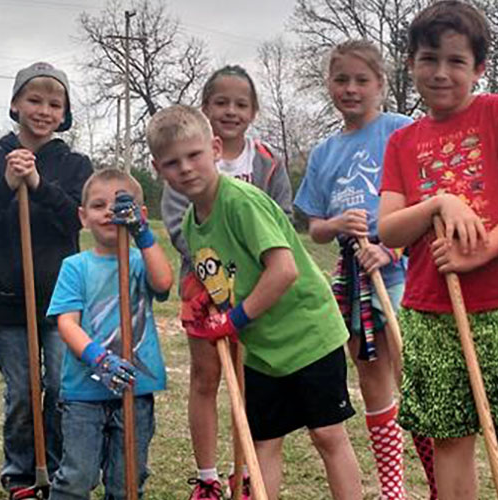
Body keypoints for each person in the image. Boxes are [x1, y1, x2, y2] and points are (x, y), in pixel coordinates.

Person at [376, 2, 498, 498]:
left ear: (479, 68)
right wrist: (440, 202)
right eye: (428, 59)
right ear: (410, 63)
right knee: (450, 441)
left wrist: (484, 250)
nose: (441, 72)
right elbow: (389, 229)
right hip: (430, 309)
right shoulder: (402, 143)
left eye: (456, 61)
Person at [150, 105, 363, 499]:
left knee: (327, 434)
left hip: (309, 334)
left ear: (215, 149)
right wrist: (209, 303)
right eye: (172, 162)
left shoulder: (241, 201)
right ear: (157, 169)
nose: (186, 168)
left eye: (194, 155)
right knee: (262, 442)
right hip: (263, 349)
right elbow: (220, 277)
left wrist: (234, 319)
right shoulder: (191, 224)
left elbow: (284, 270)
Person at [292, 39, 435, 500]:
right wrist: (337, 224)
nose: (350, 89)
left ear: (380, 84)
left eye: (361, 80)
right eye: (341, 80)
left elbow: (426, 200)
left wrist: (390, 249)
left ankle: (440, 484)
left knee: (416, 379)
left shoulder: (401, 130)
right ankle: (393, 488)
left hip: (404, 270)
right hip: (353, 274)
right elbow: (315, 227)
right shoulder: (324, 153)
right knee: (372, 377)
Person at [0, 61, 94, 499]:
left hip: (62, 300)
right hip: (5, 298)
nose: (44, 110)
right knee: (22, 392)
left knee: (60, 387)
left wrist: (36, 184)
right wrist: (5, 184)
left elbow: (76, 218)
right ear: (15, 104)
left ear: (64, 113)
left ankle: (55, 469)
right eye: (34, 100)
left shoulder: (74, 165)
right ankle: (20, 474)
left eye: (54, 104)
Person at [160, 64, 292, 500]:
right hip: (202, 285)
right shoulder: (185, 156)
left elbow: (282, 219)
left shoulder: (267, 161)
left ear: (253, 111)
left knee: (252, 377)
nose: (231, 111)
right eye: (221, 102)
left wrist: (249, 274)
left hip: (256, 289)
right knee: (206, 376)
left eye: (241, 103)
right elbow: (179, 227)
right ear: (205, 107)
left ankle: (249, 469)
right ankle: (208, 477)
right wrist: (214, 276)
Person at [46, 169, 174, 499]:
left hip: (136, 389)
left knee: (127, 479)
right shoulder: (75, 266)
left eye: (119, 204)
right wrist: (99, 359)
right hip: (83, 393)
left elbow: (163, 282)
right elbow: (67, 324)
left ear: (139, 213)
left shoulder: (141, 262)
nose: (108, 212)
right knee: (77, 476)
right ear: (83, 216)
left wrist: (142, 234)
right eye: (98, 205)